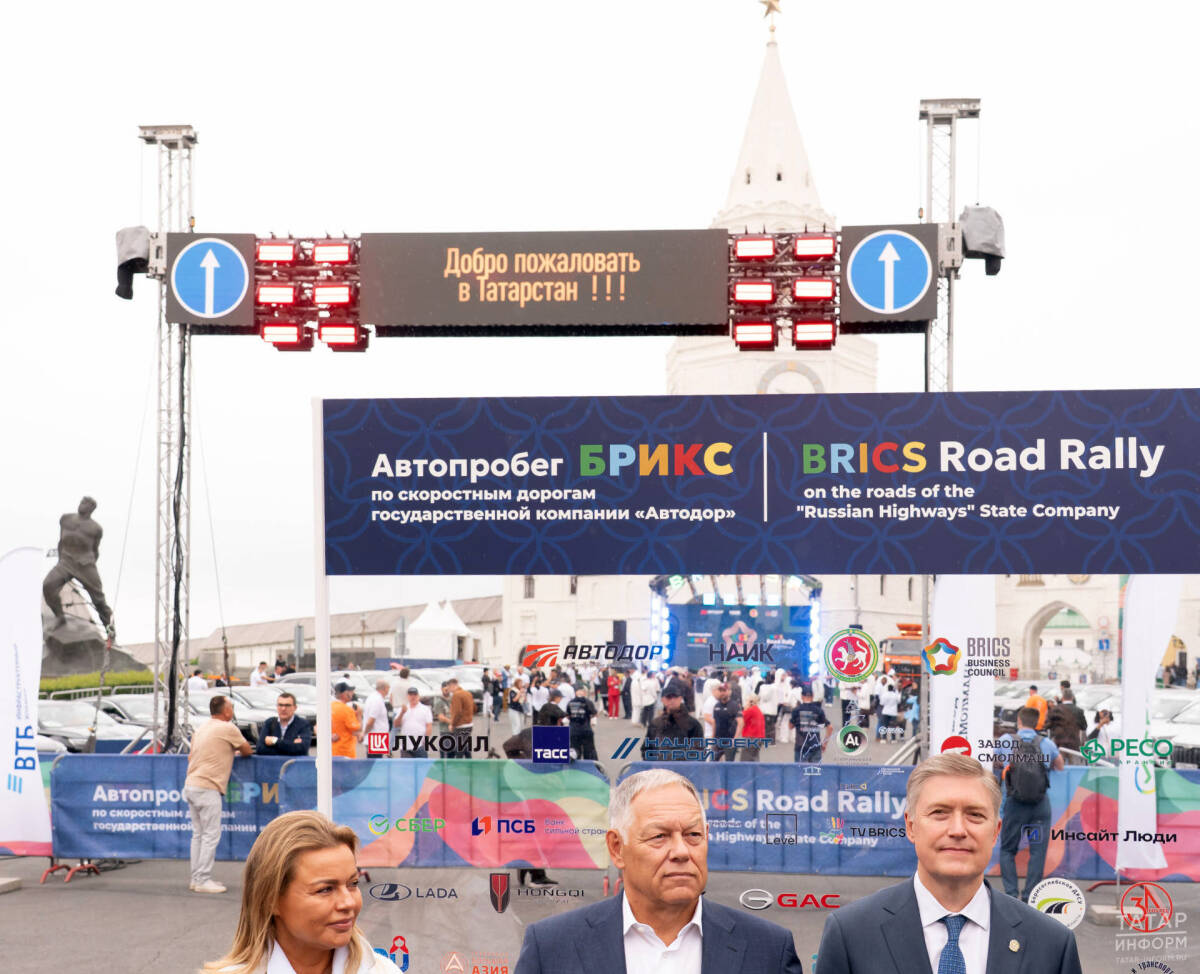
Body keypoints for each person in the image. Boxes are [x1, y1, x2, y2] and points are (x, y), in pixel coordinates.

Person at [515, 769, 803, 974]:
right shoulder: (552, 947)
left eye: (693, 835)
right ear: (617, 848)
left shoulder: (769, 950)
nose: (681, 851)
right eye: (659, 836)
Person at [816, 753, 1082, 974]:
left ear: (995, 831)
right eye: (939, 813)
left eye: (975, 815)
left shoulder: (1052, 944)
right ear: (910, 826)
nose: (957, 830)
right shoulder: (851, 933)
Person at [202, 809, 404, 974]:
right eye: (325, 889)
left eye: (353, 884)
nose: (348, 902)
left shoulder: (384, 970)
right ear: (271, 899)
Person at [995, 706, 1063, 902]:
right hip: (1039, 808)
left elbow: (995, 762)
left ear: (1019, 721)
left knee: (1008, 849)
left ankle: (1011, 894)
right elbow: (1060, 766)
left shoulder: (1006, 740)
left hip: (1015, 805)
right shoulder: (1046, 743)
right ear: (1037, 723)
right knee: (1037, 851)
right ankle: (1030, 896)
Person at [184, 694, 252, 893]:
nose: (232, 710)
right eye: (231, 707)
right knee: (210, 835)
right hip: (208, 786)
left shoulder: (200, 729)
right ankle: (202, 879)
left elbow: (190, 756)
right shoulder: (228, 728)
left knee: (198, 834)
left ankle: (196, 878)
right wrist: (233, 751)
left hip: (191, 784)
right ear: (226, 711)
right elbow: (247, 750)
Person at [43, 496, 114, 636]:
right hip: (66, 562)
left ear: (91, 508)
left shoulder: (95, 529)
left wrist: (89, 566)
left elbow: (95, 550)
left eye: (86, 503)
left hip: (85, 564)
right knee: (48, 585)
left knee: (99, 601)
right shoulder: (66, 519)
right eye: (82, 501)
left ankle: (111, 633)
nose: (82, 504)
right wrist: (61, 561)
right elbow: (61, 542)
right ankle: (60, 617)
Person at [642, 687, 703, 761]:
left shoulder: (693, 724)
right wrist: (654, 763)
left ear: (680, 699)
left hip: (684, 766)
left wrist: (675, 758)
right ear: (662, 700)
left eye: (675, 697)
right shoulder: (655, 724)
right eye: (669, 697)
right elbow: (647, 749)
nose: (672, 700)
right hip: (660, 766)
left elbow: (699, 750)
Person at [256, 692, 313, 756]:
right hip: (274, 762)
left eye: (287, 705)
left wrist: (275, 741)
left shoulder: (303, 724)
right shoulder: (269, 723)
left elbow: (302, 749)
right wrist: (291, 745)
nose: (283, 709)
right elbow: (260, 749)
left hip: (295, 762)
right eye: (280, 705)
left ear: (295, 707)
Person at [790, 684, 832, 763]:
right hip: (815, 746)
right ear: (813, 696)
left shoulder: (797, 710)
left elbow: (790, 726)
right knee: (815, 770)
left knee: (800, 770)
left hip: (801, 746)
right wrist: (824, 743)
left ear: (801, 696)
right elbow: (830, 727)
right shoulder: (818, 710)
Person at [393, 686, 433, 757]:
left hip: (420, 745)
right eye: (410, 695)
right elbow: (396, 725)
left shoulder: (425, 709)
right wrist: (402, 713)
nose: (413, 697)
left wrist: (426, 741)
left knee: (422, 763)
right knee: (407, 764)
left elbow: (429, 726)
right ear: (407, 696)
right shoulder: (402, 709)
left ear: (418, 696)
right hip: (405, 746)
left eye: (415, 695)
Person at [709, 683, 743, 760]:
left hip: (730, 740)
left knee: (728, 764)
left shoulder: (734, 705)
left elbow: (740, 723)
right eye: (720, 691)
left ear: (729, 691)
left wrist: (735, 739)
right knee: (713, 762)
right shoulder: (717, 705)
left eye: (724, 690)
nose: (722, 693)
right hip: (718, 740)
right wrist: (712, 738)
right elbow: (714, 722)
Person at [566, 686, 599, 760]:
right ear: (584, 693)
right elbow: (595, 714)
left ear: (575, 693)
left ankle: (575, 765)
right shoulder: (588, 702)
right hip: (586, 729)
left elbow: (567, 715)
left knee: (575, 750)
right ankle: (589, 765)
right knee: (589, 749)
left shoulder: (570, 702)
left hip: (574, 730)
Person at [330, 683, 362, 759]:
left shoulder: (330, 706)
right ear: (344, 694)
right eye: (350, 691)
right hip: (345, 752)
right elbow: (356, 728)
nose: (352, 694)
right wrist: (359, 715)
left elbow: (317, 727)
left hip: (332, 751)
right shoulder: (346, 710)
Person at [360, 679, 391, 759]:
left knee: (374, 761)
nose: (388, 691)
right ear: (384, 688)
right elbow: (371, 721)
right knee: (376, 763)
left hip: (377, 736)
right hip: (376, 737)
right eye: (388, 688)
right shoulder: (377, 700)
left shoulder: (373, 697)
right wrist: (364, 733)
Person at [449, 677, 476, 758]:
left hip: (461, 725)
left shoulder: (456, 695)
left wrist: (452, 724)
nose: (449, 690)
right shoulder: (468, 693)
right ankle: (470, 762)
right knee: (465, 746)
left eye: (449, 688)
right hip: (469, 724)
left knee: (459, 749)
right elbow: (475, 708)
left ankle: (458, 764)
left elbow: (457, 712)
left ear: (452, 686)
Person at [740, 693, 765, 761]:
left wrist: (745, 709)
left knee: (745, 759)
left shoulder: (750, 710)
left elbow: (741, 720)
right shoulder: (758, 710)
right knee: (754, 758)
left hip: (751, 736)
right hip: (759, 737)